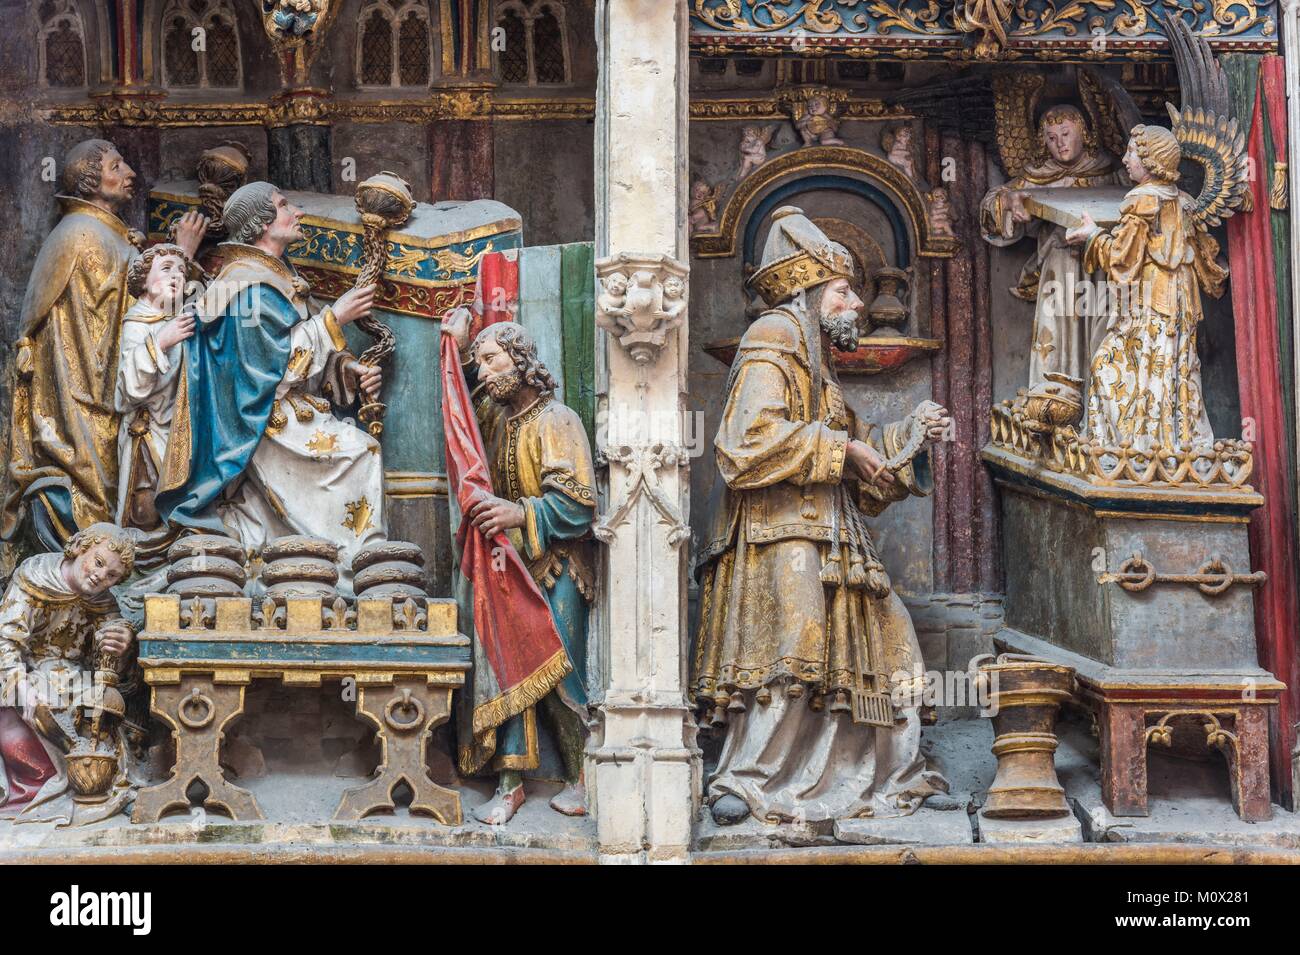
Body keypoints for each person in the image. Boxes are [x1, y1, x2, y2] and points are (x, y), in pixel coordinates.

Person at [693, 206, 952, 825]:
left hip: (831, 530)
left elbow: (854, 439)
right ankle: (750, 780)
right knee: (794, 650)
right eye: (843, 290)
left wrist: (909, 433)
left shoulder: (814, 354)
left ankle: (877, 771)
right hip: (779, 529)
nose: (857, 304)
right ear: (810, 292)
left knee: (884, 642)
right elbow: (745, 443)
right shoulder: (773, 337)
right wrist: (845, 451)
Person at [155, 181, 386, 590]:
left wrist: (348, 370)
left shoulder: (281, 277)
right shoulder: (242, 284)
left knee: (357, 447)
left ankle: (329, 563)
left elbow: (310, 356)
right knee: (362, 451)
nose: (297, 211)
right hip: (260, 419)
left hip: (290, 410)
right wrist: (336, 318)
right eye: (284, 205)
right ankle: (355, 571)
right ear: (262, 223)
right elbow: (268, 369)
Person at [3, 139, 205, 546]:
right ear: (90, 181)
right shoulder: (83, 234)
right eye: (117, 166)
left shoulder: (104, 234)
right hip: (91, 395)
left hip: (120, 387)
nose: (130, 173)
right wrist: (181, 254)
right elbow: (135, 310)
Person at [442, 311, 596, 826]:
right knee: (507, 674)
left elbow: (578, 507)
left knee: (558, 672)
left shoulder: (558, 419)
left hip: (556, 567)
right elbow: (462, 418)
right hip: (507, 567)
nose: (484, 372)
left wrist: (519, 512)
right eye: (480, 362)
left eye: (491, 360)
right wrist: (456, 348)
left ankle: (584, 775)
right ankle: (510, 785)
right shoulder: (495, 417)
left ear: (522, 360)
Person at [1065, 125, 1228, 451]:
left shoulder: (1142, 201)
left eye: (1132, 153)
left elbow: (1123, 260)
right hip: (1180, 303)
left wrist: (1092, 234)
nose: (1125, 159)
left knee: (1110, 365)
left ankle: (1136, 446)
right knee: (1171, 370)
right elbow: (1203, 257)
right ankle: (1174, 445)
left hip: (1149, 303)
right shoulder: (1182, 201)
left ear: (1151, 160)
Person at [0, 523, 138, 825]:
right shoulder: (35, 576)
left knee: (100, 706)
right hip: (24, 672)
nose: (101, 576)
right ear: (80, 548)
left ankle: (96, 784)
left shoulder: (102, 601)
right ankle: (49, 787)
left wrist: (121, 644)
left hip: (71, 677)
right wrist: (19, 684)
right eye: (98, 562)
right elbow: (5, 640)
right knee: (28, 718)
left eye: (112, 575)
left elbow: (112, 664)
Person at [979, 105, 1121, 395]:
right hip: (1059, 263)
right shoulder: (1038, 174)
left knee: (1104, 330)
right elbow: (993, 201)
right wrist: (1008, 202)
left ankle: (1103, 401)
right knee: (1057, 332)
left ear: (1085, 134)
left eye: (1067, 134)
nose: (1060, 144)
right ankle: (1054, 396)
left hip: (1103, 265)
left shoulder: (1110, 171)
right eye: (1051, 138)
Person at [114, 244, 196, 530]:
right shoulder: (137, 324)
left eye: (183, 272)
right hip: (149, 434)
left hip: (179, 430)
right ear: (143, 283)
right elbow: (130, 388)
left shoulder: (180, 321)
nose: (177, 276)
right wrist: (160, 341)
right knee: (147, 512)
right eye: (166, 269)